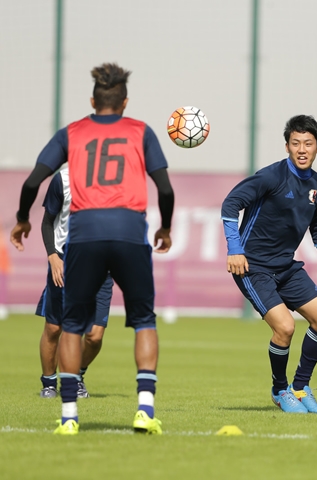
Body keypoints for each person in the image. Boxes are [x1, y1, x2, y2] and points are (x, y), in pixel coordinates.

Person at [10, 63, 174, 435]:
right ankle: (145, 411)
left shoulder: (72, 133)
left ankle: (68, 417)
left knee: (71, 326)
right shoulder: (140, 131)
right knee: (143, 321)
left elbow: (34, 180)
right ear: (125, 102)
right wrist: (165, 226)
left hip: (83, 236)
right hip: (130, 231)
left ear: (92, 100)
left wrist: (22, 219)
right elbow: (165, 189)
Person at [221, 115, 317, 414]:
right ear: (287, 146)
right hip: (253, 267)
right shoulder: (270, 177)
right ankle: (279, 389)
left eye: (308, 144)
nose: (302, 149)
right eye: (296, 143)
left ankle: (300, 387)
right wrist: (235, 250)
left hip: (286, 267)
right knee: (285, 327)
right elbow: (230, 205)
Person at [36, 165, 113, 399]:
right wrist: (52, 256)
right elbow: (47, 222)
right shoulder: (63, 179)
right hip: (65, 261)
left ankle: (77, 375)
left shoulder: (118, 180)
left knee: (94, 336)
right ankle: (49, 383)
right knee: (54, 327)